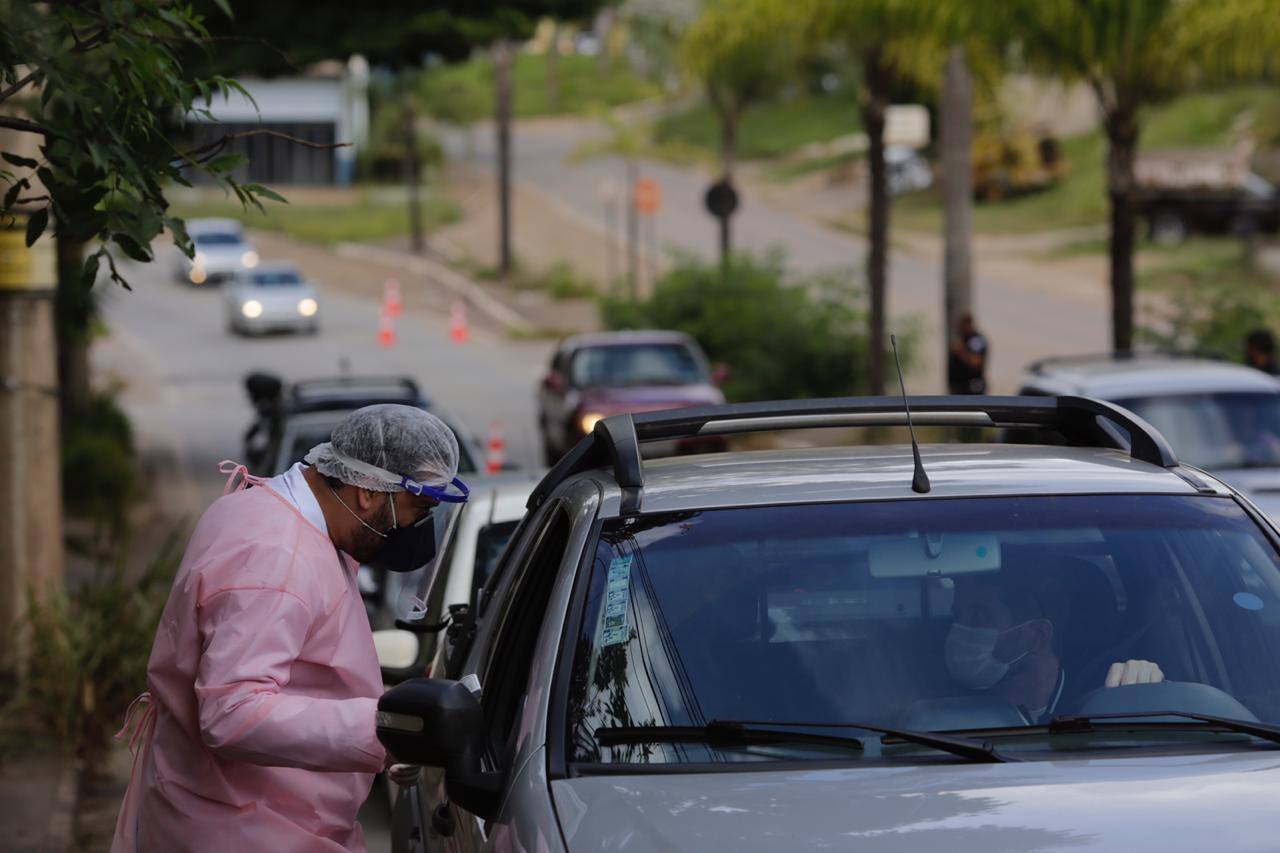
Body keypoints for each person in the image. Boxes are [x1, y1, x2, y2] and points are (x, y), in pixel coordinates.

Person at [111, 404, 469, 853]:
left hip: (259, 812)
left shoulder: (270, 511)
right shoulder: (277, 556)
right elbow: (233, 712)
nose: (419, 528)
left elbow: (307, 668)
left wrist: (385, 743)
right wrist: (381, 728)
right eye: (418, 508)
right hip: (243, 826)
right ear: (368, 493)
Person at [946, 569, 1162, 722]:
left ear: (1037, 636)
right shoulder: (944, 707)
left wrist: (1146, 687)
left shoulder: (1103, 698)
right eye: (957, 616)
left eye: (979, 617)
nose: (958, 630)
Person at [948, 313, 989, 395]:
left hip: (973, 387)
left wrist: (961, 352)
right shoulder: (962, 339)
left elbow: (976, 363)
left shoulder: (976, 340)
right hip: (959, 388)